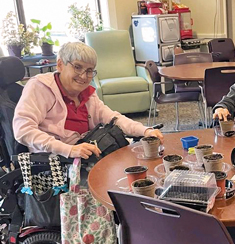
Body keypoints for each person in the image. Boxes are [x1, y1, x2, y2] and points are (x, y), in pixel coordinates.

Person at [13, 42, 163, 159]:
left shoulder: (87, 93)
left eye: (89, 70)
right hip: (56, 160)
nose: (84, 76)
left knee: (136, 158)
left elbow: (113, 118)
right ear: (60, 65)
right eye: (77, 67)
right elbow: (23, 130)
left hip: (85, 153)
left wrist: (145, 130)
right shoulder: (39, 87)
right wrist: (69, 150)